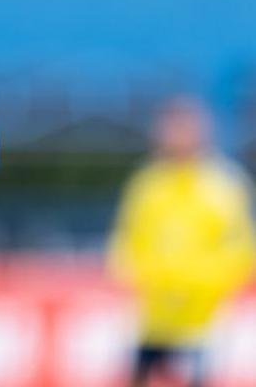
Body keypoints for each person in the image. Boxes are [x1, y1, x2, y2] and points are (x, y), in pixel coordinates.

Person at [108, 96, 256, 387]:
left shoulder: (224, 185)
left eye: (185, 127)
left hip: (204, 321)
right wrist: (146, 277)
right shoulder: (146, 185)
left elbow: (241, 251)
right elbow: (124, 245)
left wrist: (196, 283)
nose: (177, 135)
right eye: (171, 127)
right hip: (150, 319)